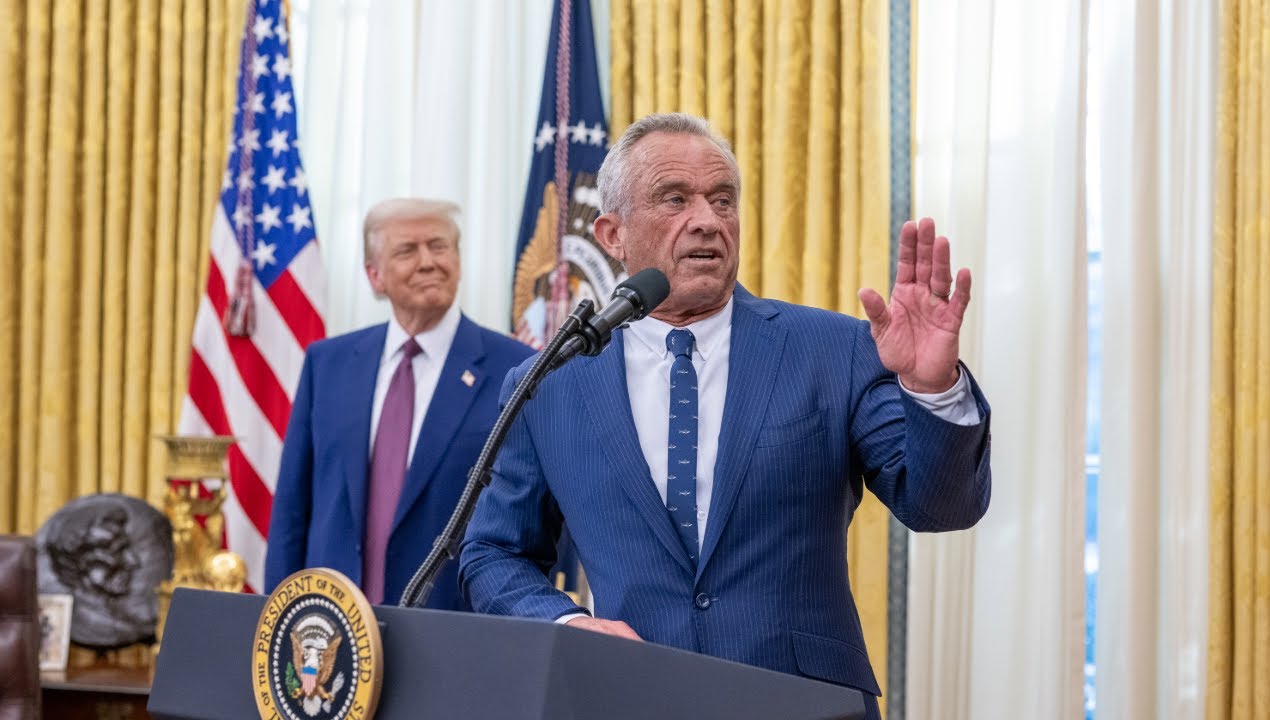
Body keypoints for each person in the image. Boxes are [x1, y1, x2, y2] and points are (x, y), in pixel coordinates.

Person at [459, 113, 991, 717]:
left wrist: (931, 388)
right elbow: (493, 553)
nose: (707, 220)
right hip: (628, 699)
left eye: (722, 199)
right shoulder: (548, 382)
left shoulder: (833, 349)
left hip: (803, 703)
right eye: (674, 198)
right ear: (612, 233)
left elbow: (942, 507)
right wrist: (564, 622)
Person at [265, 198, 535, 608]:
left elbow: (537, 518)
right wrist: (280, 615)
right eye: (408, 250)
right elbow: (291, 510)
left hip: (456, 626)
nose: (428, 261)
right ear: (375, 276)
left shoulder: (515, 369)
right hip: (331, 625)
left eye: (439, 246)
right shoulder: (328, 364)